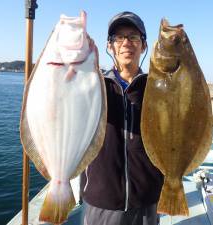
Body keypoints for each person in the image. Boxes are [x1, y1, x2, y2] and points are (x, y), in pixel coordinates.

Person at [80, 11, 164, 225]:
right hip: (102, 201)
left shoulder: (158, 89)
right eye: (119, 37)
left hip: (148, 200)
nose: (126, 42)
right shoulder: (93, 85)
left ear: (144, 46)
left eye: (133, 37)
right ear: (110, 46)